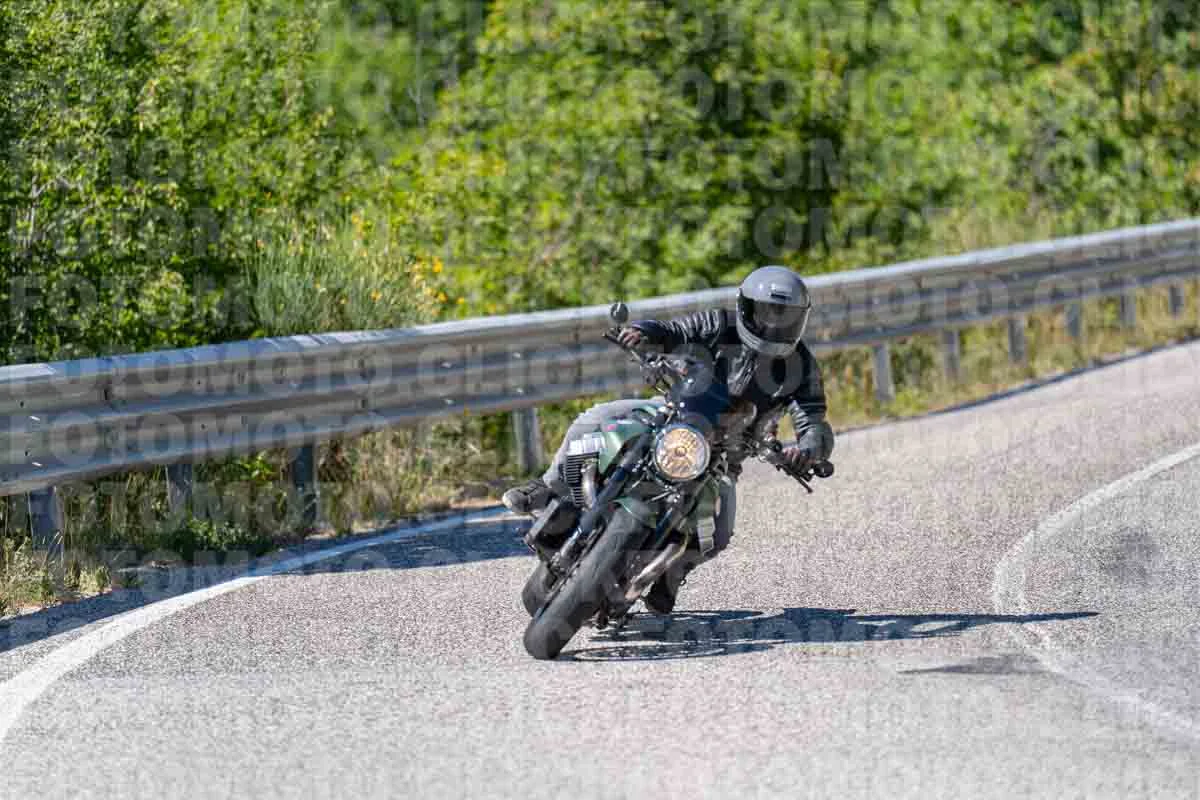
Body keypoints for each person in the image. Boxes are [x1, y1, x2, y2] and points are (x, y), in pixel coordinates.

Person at [503, 265, 835, 613]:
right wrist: (641, 332)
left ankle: (671, 574)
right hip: (675, 414)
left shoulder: (802, 367)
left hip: (726, 453)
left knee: (718, 533)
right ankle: (546, 486)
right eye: (767, 312)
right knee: (597, 418)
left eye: (785, 316)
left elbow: (812, 419)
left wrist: (808, 449)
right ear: (745, 307)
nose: (773, 324)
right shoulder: (719, 324)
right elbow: (675, 331)